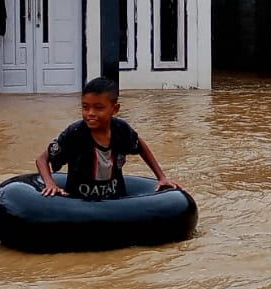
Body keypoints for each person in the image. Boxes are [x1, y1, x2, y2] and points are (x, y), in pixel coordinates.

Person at [37, 77, 178, 200]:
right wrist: (50, 183)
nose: (90, 113)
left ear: (115, 109)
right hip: (79, 204)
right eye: (85, 107)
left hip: (115, 200)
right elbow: (42, 159)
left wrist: (162, 177)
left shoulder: (121, 130)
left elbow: (139, 144)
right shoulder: (75, 133)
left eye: (98, 108)